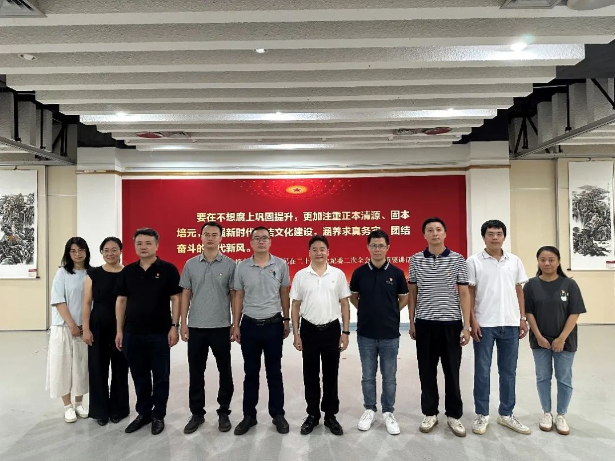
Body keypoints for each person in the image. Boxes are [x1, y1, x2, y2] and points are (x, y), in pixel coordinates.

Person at [114, 228, 182, 435]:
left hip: (160, 333)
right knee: (139, 375)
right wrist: (119, 331)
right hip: (132, 333)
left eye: (148, 243)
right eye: (139, 243)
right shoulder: (128, 271)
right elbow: (121, 301)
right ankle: (143, 413)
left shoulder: (168, 269)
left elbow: (176, 298)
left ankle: (158, 415)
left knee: (161, 376)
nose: (143, 247)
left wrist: (174, 326)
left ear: (156, 245)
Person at [408, 218, 471, 437]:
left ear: (445, 233)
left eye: (438, 230)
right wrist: (412, 321)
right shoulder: (416, 260)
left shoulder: (458, 259)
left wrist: (466, 326)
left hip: (451, 324)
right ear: (424, 235)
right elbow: (413, 293)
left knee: (452, 371)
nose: (434, 233)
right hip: (425, 324)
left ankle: (454, 415)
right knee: (426, 371)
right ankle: (430, 412)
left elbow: (464, 293)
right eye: (430, 230)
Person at [467, 220, 531, 435]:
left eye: (499, 233)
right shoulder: (473, 261)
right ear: (483, 237)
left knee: (508, 372)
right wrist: (472, 321)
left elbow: (519, 290)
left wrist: (522, 318)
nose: (495, 237)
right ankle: (482, 414)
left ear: (504, 236)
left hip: (510, 324)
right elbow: (469, 293)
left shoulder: (514, 261)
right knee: (482, 371)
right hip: (484, 324)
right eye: (490, 233)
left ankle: (506, 414)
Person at [232, 226, 291, 435]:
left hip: (273, 325)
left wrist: (286, 320)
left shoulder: (280, 265)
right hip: (249, 325)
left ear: (270, 241)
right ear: (251, 242)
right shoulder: (242, 267)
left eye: (264, 238)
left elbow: (284, 293)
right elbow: (238, 296)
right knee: (250, 373)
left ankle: (278, 414)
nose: (261, 241)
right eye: (257, 238)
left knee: (274, 372)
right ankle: (249, 416)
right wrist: (236, 324)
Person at [350, 229, 408, 435]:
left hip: (390, 334)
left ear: (387, 247)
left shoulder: (397, 273)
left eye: (381, 245)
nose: (377, 249)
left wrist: (391, 312)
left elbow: (404, 297)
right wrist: (366, 311)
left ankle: (388, 412)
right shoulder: (359, 273)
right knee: (368, 375)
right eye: (373, 245)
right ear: (368, 247)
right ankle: (369, 409)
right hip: (365, 333)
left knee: (389, 376)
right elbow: (353, 297)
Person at [291, 235, 351, 436]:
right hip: (308, 330)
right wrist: (296, 333)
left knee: (331, 374)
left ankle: (330, 416)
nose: (319, 253)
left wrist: (345, 332)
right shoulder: (301, 275)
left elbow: (344, 304)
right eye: (314, 249)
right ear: (309, 252)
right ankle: (312, 414)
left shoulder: (338, 274)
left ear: (328, 252)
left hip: (332, 330)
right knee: (310, 375)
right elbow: (295, 305)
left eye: (322, 249)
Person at [180, 221, 236, 434]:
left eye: (214, 234)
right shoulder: (190, 264)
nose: (210, 238)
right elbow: (186, 294)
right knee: (196, 372)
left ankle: (224, 411)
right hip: (196, 326)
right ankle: (197, 413)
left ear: (221, 238)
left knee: (225, 371)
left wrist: (235, 323)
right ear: (201, 237)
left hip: (221, 326)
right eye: (207, 234)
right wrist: (183, 323)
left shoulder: (230, 264)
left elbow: (234, 296)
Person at [524, 246, 586, 436]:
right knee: (543, 377)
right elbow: (528, 312)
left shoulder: (569, 284)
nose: (547, 263)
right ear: (538, 261)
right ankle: (546, 413)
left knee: (564, 378)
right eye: (543, 260)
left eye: (551, 259)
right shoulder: (531, 285)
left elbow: (575, 313)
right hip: (540, 341)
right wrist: (539, 336)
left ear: (558, 261)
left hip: (565, 341)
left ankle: (561, 415)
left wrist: (561, 338)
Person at [82, 237, 129, 426]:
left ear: (120, 251)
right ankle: (100, 411)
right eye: (106, 250)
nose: (110, 253)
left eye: (114, 249)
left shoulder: (128, 273)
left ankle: (119, 409)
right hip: (98, 326)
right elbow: (87, 303)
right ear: (101, 252)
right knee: (97, 368)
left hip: (122, 327)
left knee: (120, 368)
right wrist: (86, 329)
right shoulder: (93, 274)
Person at [46, 237, 91, 423]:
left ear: (86, 251)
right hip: (64, 327)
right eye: (73, 251)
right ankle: (67, 406)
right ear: (68, 253)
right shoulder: (62, 273)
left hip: (84, 327)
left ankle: (79, 402)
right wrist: (72, 325)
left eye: (81, 250)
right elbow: (58, 300)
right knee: (63, 366)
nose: (77, 254)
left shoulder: (91, 273)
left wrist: (84, 326)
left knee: (81, 365)